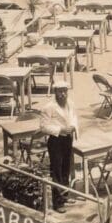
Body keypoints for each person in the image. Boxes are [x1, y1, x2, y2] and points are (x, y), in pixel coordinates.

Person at [39, 81, 78, 213]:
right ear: (55, 92)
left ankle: (65, 196)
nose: (63, 94)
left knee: (66, 168)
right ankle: (57, 202)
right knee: (57, 171)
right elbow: (43, 126)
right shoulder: (48, 107)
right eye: (60, 91)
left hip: (68, 139)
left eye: (65, 91)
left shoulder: (70, 104)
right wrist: (60, 129)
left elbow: (74, 118)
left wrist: (73, 126)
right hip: (56, 141)